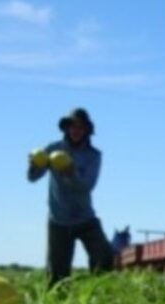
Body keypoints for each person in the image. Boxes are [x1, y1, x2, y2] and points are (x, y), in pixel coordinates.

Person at [28, 107, 114, 285]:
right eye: (72, 126)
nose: (76, 131)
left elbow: (87, 186)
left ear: (87, 131)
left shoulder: (93, 155)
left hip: (85, 218)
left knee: (104, 256)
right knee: (57, 276)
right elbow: (32, 178)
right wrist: (33, 165)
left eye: (81, 127)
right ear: (66, 128)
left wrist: (70, 173)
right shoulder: (53, 149)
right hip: (59, 220)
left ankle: (98, 291)